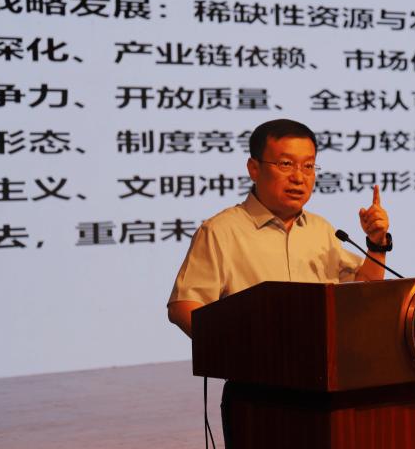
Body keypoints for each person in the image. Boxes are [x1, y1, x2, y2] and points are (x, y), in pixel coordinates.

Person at [166, 118, 392, 337]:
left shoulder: (321, 230)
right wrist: (236, 349)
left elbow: (362, 292)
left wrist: (376, 245)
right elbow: (183, 306)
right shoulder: (220, 231)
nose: (299, 177)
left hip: (321, 361)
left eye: (308, 166)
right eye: (286, 164)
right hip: (254, 363)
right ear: (254, 168)